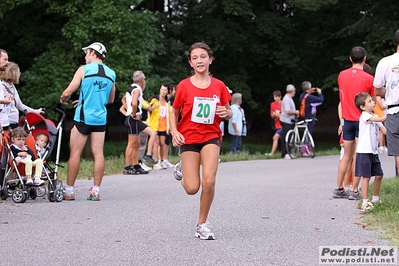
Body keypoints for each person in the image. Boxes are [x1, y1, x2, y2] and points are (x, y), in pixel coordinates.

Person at [170, 42, 232, 240]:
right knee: (191, 188)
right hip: (188, 138)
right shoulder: (183, 86)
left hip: (211, 137)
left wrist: (227, 112)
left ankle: (202, 224)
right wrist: (174, 131)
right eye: (195, 57)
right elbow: (175, 111)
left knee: (209, 180)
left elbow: (229, 111)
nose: (199, 60)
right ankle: (182, 168)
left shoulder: (219, 86)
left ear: (210, 60)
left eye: (203, 57)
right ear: (190, 62)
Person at [60, 42, 116, 201]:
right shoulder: (111, 73)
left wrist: (64, 98)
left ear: (93, 53)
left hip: (84, 118)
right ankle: (95, 191)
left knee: (75, 153)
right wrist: (86, 100)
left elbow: (68, 91)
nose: (85, 56)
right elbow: (110, 99)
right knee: (98, 154)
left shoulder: (83, 70)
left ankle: (69, 190)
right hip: (100, 119)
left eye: (87, 53)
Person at [333, 46, 374, 199]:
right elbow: (371, 102)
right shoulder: (369, 78)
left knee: (346, 156)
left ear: (350, 59)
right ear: (365, 58)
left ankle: (338, 188)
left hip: (347, 120)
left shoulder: (342, 75)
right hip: (361, 121)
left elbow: (342, 98)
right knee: (358, 155)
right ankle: (354, 190)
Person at [354, 92, 386, 213]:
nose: (373, 103)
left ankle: (375, 199)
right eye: (369, 101)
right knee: (366, 177)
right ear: (362, 106)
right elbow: (382, 118)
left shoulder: (374, 116)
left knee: (379, 175)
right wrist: (393, 113)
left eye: (372, 101)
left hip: (373, 152)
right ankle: (365, 202)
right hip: (364, 151)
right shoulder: (364, 116)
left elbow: (384, 130)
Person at [374, 29, 399, 175]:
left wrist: (389, 91)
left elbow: (377, 91)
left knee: (398, 152)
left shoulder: (385, 62)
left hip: (394, 111)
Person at [119, 70, 152, 175]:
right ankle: (127, 167)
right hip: (133, 118)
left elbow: (123, 100)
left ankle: (136, 165)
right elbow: (134, 103)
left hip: (133, 118)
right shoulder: (137, 89)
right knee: (132, 144)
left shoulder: (131, 87)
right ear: (142, 80)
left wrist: (128, 109)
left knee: (137, 144)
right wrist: (133, 113)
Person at [1, 62, 43, 128]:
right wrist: (36, 112)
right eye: (18, 72)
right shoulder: (2, 87)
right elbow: (20, 106)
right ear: (13, 73)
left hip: (13, 122)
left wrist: (36, 112)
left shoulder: (12, 87)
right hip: (7, 123)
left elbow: (19, 105)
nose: (20, 74)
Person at [148, 84, 174, 169]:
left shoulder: (167, 102)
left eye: (165, 90)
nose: (163, 92)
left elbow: (169, 113)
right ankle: (156, 161)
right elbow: (148, 108)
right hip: (154, 125)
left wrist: (170, 125)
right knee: (156, 143)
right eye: (162, 89)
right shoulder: (154, 99)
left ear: (167, 92)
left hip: (164, 125)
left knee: (163, 143)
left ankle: (163, 160)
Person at [279, 84, 299, 159]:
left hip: (289, 120)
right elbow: (287, 111)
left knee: (289, 137)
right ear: (292, 91)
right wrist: (296, 112)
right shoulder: (287, 99)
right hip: (286, 120)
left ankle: (289, 152)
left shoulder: (289, 98)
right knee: (286, 137)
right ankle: (285, 153)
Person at [266, 90, 282, 156]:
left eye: (276, 97)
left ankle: (272, 153)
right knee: (283, 139)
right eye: (274, 97)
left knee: (275, 137)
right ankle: (287, 151)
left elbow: (282, 116)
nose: (275, 98)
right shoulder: (272, 104)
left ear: (280, 97)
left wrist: (277, 115)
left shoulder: (283, 104)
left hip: (283, 125)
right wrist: (277, 115)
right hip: (277, 124)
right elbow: (272, 115)